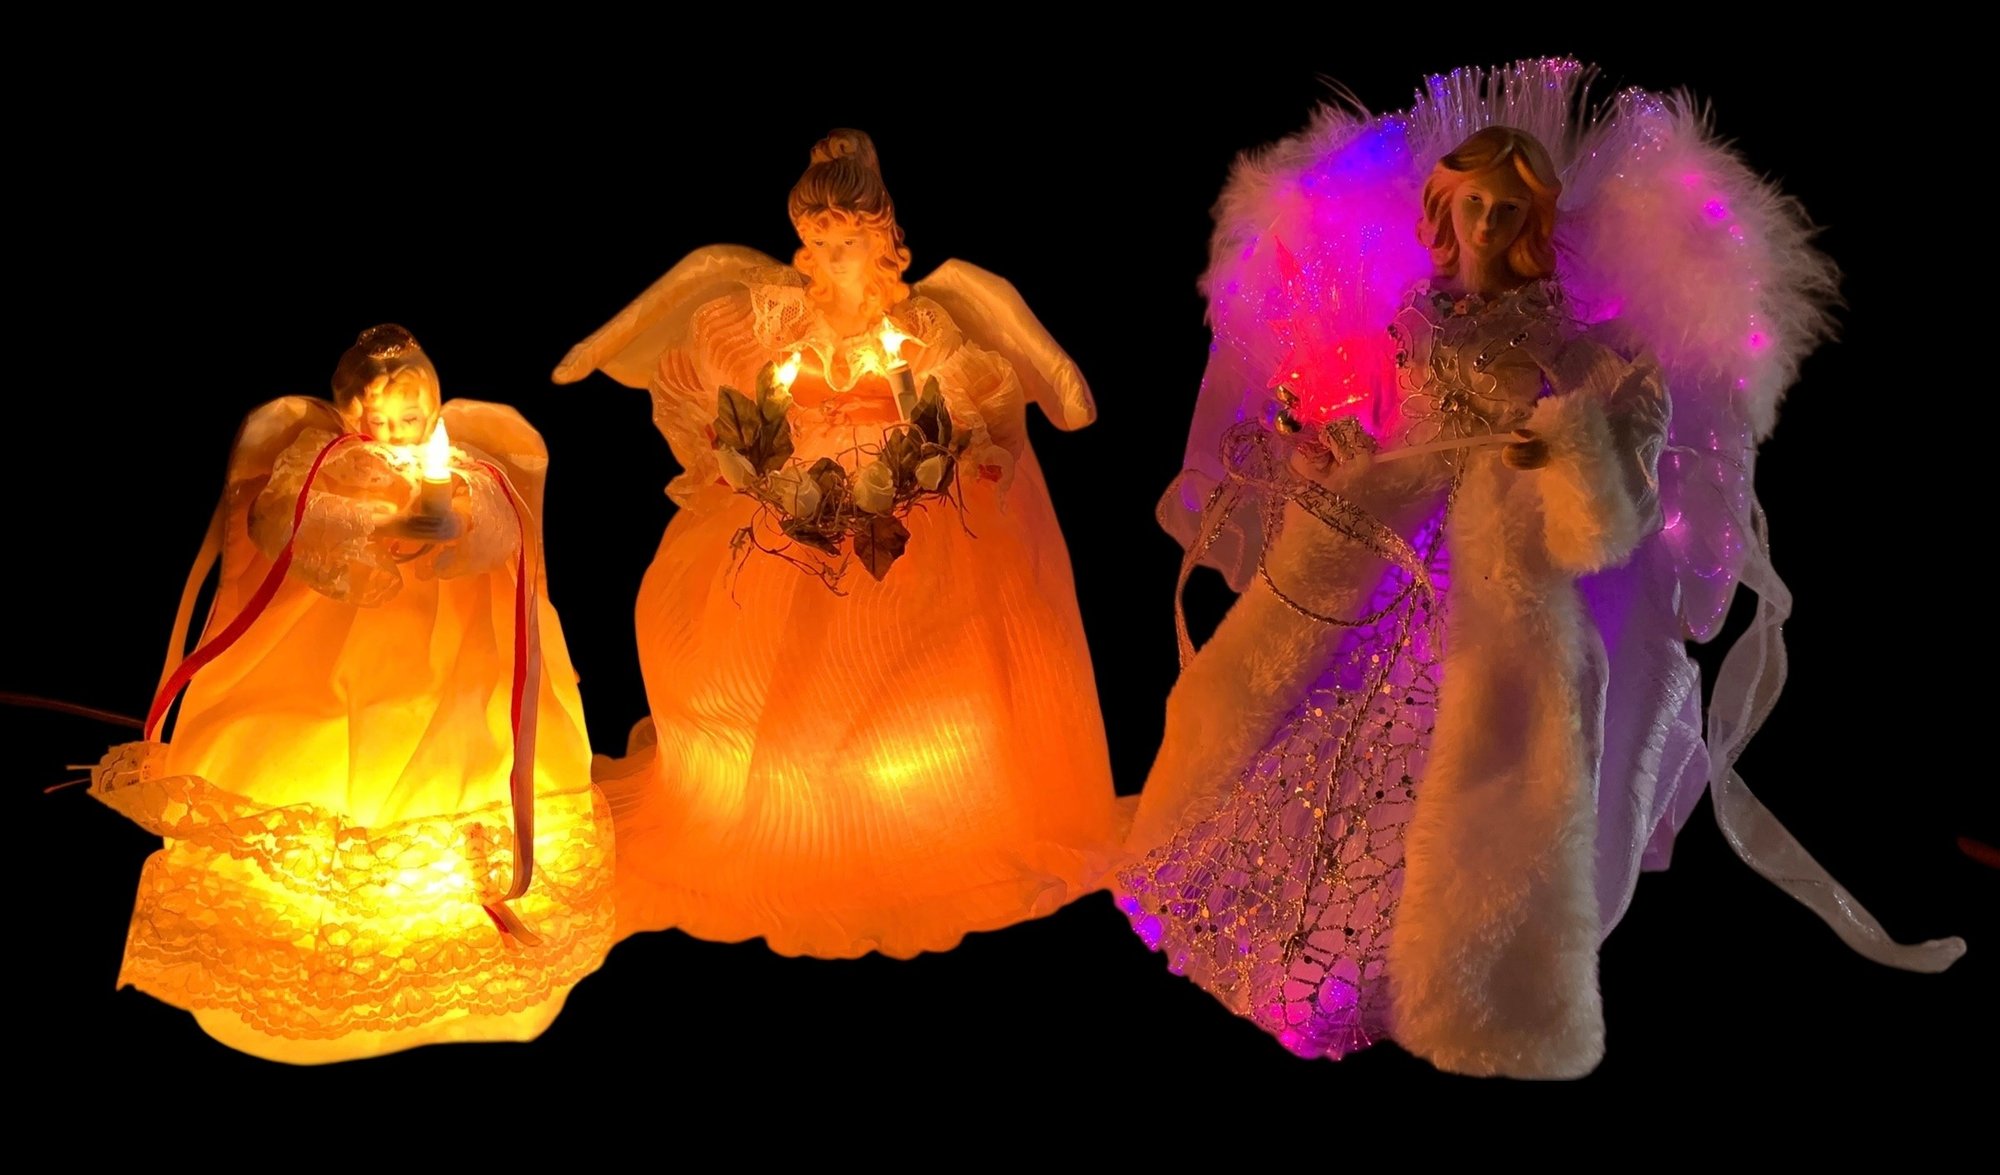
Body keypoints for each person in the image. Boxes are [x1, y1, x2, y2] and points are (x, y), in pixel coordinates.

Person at [1119, 62, 1963, 1079]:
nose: (1485, 221)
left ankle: (1443, 976)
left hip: (1492, 574)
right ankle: (1293, 926)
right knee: (1307, 725)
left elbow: (1620, 489)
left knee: (1473, 765)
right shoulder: (1409, 319)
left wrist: (1562, 452)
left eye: (1506, 207)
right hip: (1380, 555)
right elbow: (1365, 418)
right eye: (1471, 203)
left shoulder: (1569, 343)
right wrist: (1325, 449)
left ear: (1531, 220)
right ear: (1443, 210)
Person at [554, 130, 1130, 959]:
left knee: (914, 656)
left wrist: (935, 442)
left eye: (847, 241)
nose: (831, 257)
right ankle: (796, 809)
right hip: (798, 496)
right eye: (819, 241)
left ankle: (915, 809)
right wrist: (751, 449)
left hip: (906, 506)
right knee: (758, 651)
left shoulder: (921, 324)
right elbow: (720, 388)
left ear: (881, 238)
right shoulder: (771, 316)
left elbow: (975, 398)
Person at [91, 324, 614, 1064]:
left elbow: (502, 535)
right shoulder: (323, 465)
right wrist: (378, 523)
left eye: (412, 417)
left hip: (454, 655)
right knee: (309, 744)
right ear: (350, 414)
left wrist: (450, 522)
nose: (397, 432)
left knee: (458, 755)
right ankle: (315, 945)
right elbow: (276, 523)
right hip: (328, 640)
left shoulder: (466, 467)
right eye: (382, 419)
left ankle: (447, 924)